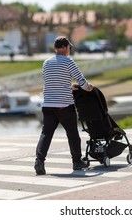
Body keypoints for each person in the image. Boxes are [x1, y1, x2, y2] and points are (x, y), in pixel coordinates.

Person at [34, 36, 94, 175]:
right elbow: (81, 81)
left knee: (46, 134)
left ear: (55, 49)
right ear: (66, 47)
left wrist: (68, 86)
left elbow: (52, 82)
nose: (69, 50)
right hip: (64, 105)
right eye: (69, 48)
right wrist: (88, 87)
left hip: (48, 104)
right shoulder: (69, 62)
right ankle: (77, 162)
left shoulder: (46, 63)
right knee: (72, 134)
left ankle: (39, 161)